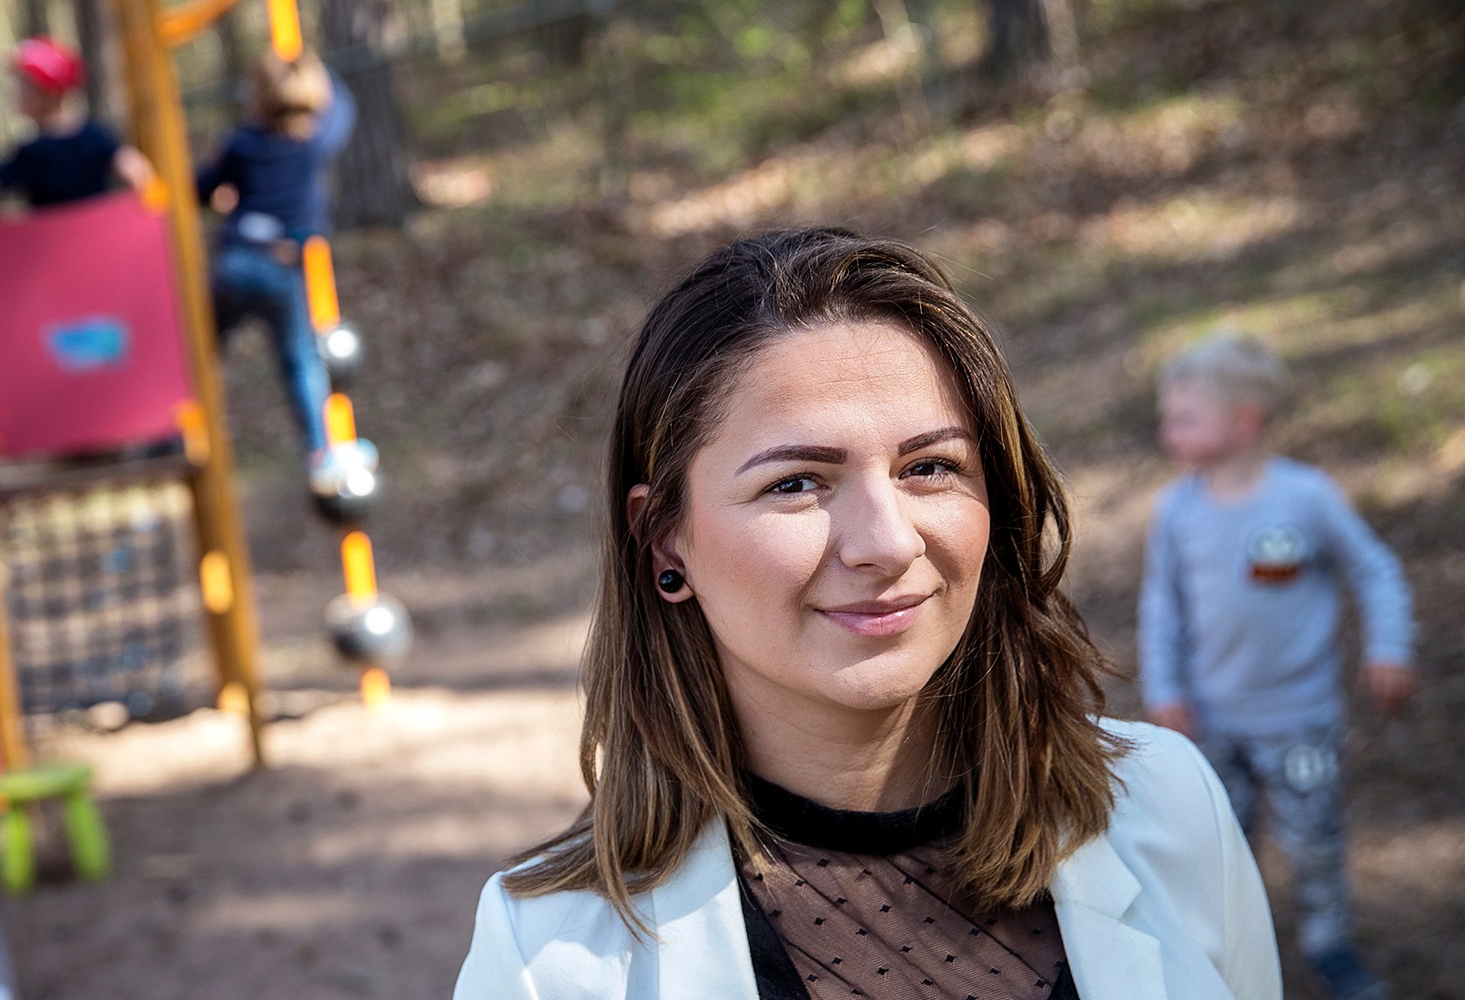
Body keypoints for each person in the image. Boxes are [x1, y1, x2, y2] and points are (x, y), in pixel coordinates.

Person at [453, 228, 1280, 999]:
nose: (886, 543)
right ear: (665, 542)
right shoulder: (546, 958)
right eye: (797, 482)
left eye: (929, 467)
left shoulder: (1173, 806)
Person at [1140, 334, 1414, 1000]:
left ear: (1243, 423)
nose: (1167, 431)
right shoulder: (1177, 511)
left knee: (1315, 841)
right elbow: (1161, 608)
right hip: (1212, 725)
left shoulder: (1305, 497)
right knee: (1221, 848)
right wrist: (1166, 689)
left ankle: (1330, 944)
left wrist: (1390, 648)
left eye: (1185, 418)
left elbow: (1374, 569)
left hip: (1299, 724)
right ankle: (1226, 957)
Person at [195, 51, 354, 474]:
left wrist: (219, 190)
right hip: (282, 266)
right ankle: (320, 452)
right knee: (300, 359)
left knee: (202, 349)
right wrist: (317, 67)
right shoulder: (314, 141)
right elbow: (344, 105)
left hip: (234, 261)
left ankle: (177, 432)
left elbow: (199, 187)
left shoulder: (241, 144)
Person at [0, 37, 151, 208]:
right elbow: (135, 168)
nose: (15, 93)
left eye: (23, 86)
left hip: (55, 256)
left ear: (46, 94)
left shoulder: (33, 153)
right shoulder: (94, 134)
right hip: (98, 246)